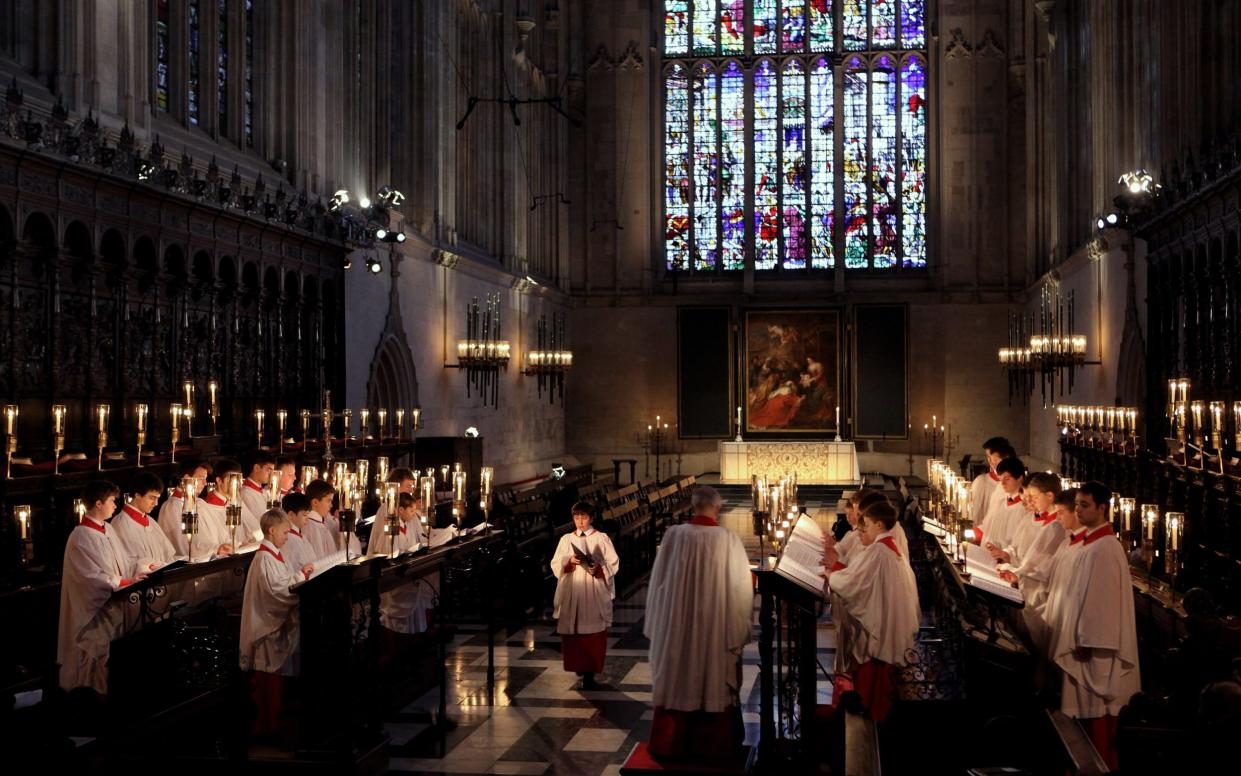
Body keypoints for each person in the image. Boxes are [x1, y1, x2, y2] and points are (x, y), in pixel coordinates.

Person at [645, 486, 752, 760]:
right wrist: (739, 631)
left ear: (693, 507)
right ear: (717, 508)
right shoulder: (728, 540)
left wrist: (658, 624)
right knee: (712, 676)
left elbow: (657, 584)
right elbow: (741, 593)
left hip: (678, 628)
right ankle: (712, 746)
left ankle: (670, 743)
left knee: (679, 676)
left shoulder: (672, 536)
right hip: (715, 630)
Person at [1048, 481, 1140, 770]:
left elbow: (1102, 602)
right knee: (1083, 714)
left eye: (1085, 505)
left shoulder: (1106, 548)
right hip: (1082, 640)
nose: (1078, 510)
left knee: (1096, 713)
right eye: (1077, 504)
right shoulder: (1091, 543)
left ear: (1103, 508)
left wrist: (1087, 640)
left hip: (1093, 648)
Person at [823, 500, 921, 723]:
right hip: (891, 623)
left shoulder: (878, 551)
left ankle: (870, 723)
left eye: (865, 526)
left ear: (879, 525)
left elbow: (855, 583)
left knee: (872, 686)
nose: (861, 531)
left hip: (881, 631)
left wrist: (832, 576)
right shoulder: (888, 548)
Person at [57, 480, 141, 693]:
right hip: (94, 615)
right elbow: (91, 579)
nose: (116, 505)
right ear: (98, 503)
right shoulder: (81, 536)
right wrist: (122, 582)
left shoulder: (108, 529)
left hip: (114, 607)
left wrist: (140, 569)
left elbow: (122, 561)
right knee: (94, 662)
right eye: (112, 501)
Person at [239, 508, 313, 737]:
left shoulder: (273, 555)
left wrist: (301, 574)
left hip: (272, 625)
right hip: (267, 627)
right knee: (267, 674)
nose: (287, 537)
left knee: (273, 673)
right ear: (271, 531)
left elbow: (282, 582)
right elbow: (278, 591)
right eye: (284, 532)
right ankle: (267, 725)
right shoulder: (264, 558)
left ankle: (272, 722)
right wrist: (301, 576)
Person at [550, 501, 620, 691]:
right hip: (573, 588)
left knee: (592, 631)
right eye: (577, 517)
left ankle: (590, 673)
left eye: (584, 517)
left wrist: (598, 567)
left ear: (591, 518)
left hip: (593, 589)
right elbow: (556, 563)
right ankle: (579, 667)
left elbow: (613, 563)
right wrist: (569, 561)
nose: (580, 522)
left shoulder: (601, 538)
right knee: (574, 630)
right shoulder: (566, 539)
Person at [377, 493, 434, 635]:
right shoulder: (390, 529)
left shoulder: (408, 525)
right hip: (396, 579)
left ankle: (413, 639)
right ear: (401, 510)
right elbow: (385, 553)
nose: (414, 514)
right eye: (412, 511)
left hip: (409, 574)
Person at [111, 471, 179, 577]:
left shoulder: (150, 521)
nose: (156, 504)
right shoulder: (121, 524)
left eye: (157, 498)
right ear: (137, 495)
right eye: (151, 498)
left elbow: (167, 554)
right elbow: (130, 563)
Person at [158, 460, 211, 555]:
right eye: (201, 478)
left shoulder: (201, 503)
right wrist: (214, 550)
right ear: (187, 478)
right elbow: (183, 545)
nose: (205, 483)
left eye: (205, 478)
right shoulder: (173, 506)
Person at [981, 456, 1027, 554]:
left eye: (1007, 478)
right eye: (1000, 479)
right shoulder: (999, 503)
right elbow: (988, 530)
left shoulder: (1024, 509)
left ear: (1019, 478)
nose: (1002, 483)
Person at [969, 438, 1013, 528]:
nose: (989, 461)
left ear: (1006, 457)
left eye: (993, 457)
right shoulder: (982, 482)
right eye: (987, 457)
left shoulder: (1014, 484)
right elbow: (975, 513)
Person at [280, 492, 318, 581]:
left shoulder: (301, 536)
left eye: (308, 515)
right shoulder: (287, 538)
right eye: (304, 515)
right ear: (290, 515)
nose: (307, 518)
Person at [302, 479, 342, 560]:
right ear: (315, 502)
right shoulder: (311, 527)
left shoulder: (321, 523)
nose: (331, 506)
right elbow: (319, 560)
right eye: (328, 501)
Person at [241, 451, 277, 532]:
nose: (271, 475)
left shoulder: (264, 491)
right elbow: (261, 521)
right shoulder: (246, 493)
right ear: (256, 468)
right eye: (269, 470)